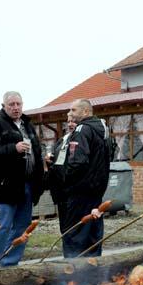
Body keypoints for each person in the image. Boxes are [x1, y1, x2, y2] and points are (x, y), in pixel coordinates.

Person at [0, 91, 43, 267]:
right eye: (11, 105)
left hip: (28, 185)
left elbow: (36, 152)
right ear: (3, 106)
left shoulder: (27, 124)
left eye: (18, 104)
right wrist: (13, 148)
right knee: (2, 226)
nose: (16, 108)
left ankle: (10, 263)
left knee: (22, 227)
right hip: (6, 186)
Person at [62, 99, 110, 257]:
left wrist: (66, 181)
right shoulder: (103, 130)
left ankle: (73, 277)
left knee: (75, 235)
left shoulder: (82, 130)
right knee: (93, 234)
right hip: (96, 191)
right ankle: (94, 272)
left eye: (73, 110)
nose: (70, 113)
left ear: (86, 112)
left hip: (80, 192)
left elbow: (77, 162)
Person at [45, 114, 76, 236]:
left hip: (73, 188)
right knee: (64, 226)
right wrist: (49, 161)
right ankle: (68, 251)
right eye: (68, 122)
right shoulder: (63, 139)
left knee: (75, 225)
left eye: (73, 121)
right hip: (60, 189)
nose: (70, 124)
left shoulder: (81, 139)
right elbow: (54, 158)